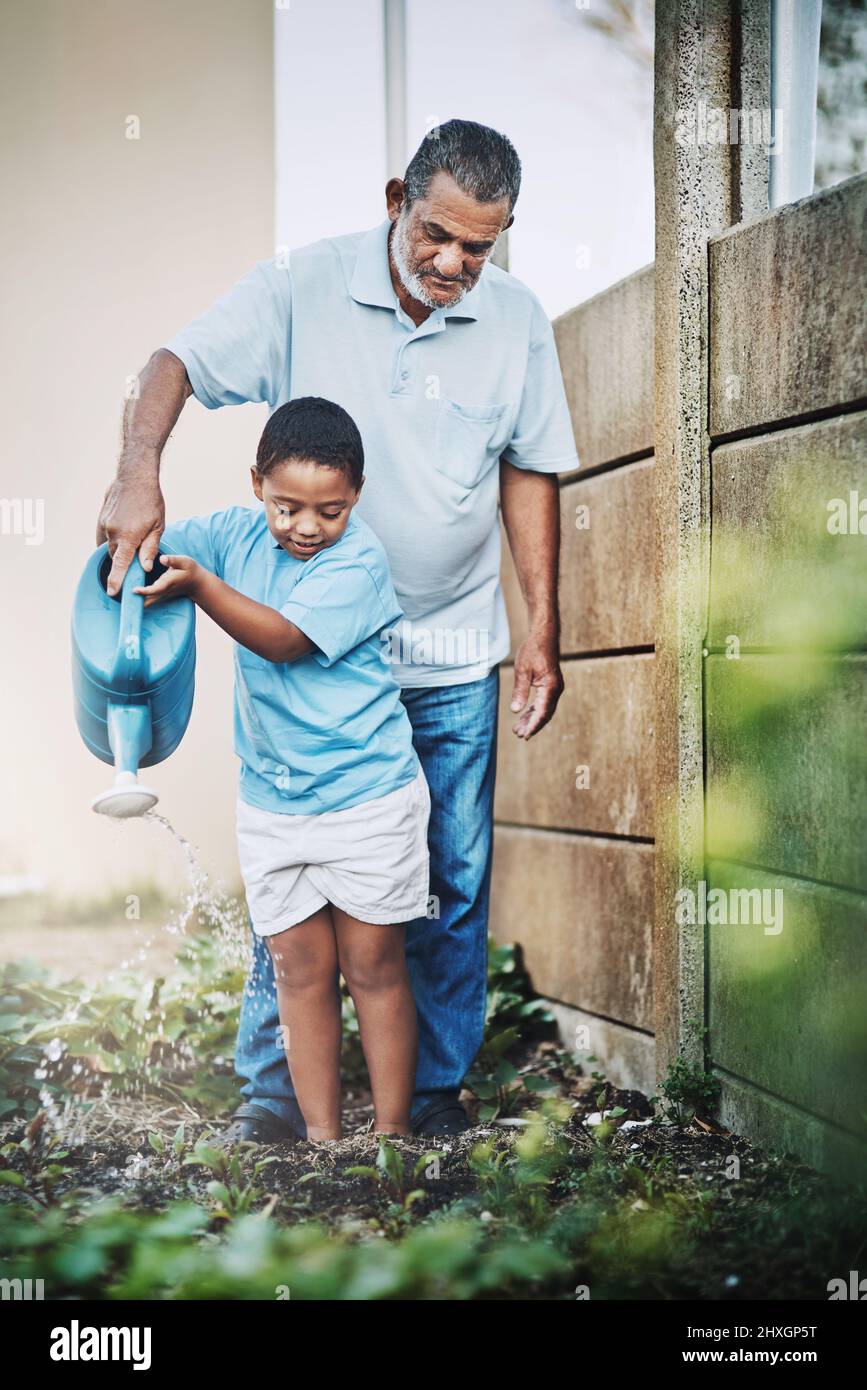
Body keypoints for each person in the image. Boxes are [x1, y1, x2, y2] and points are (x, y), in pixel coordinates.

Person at [97, 118, 578, 1141]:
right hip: (314, 682)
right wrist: (139, 467)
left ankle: (433, 1094)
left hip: (449, 650)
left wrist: (541, 627)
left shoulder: (518, 322)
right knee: (299, 895)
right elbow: (171, 360)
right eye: (438, 234)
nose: (455, 263)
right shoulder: (300, 288)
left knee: (447, 880)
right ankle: (276, 1101)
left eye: (480, 247)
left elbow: (528, 468)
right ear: (398, 194)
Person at [141, 396, 430, 1141]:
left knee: (372, 966)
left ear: (355, 498)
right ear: (255, 485)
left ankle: (393, 1135)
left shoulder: (359, 559)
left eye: (328, 511)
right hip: (273, 803)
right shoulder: (234, 537)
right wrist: (128, 513)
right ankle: (325, 1141)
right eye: (287, 506)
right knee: (298, 972)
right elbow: (144, 544)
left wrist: (200, 585)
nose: (306, 527)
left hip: (366, 797)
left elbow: (284, 640)